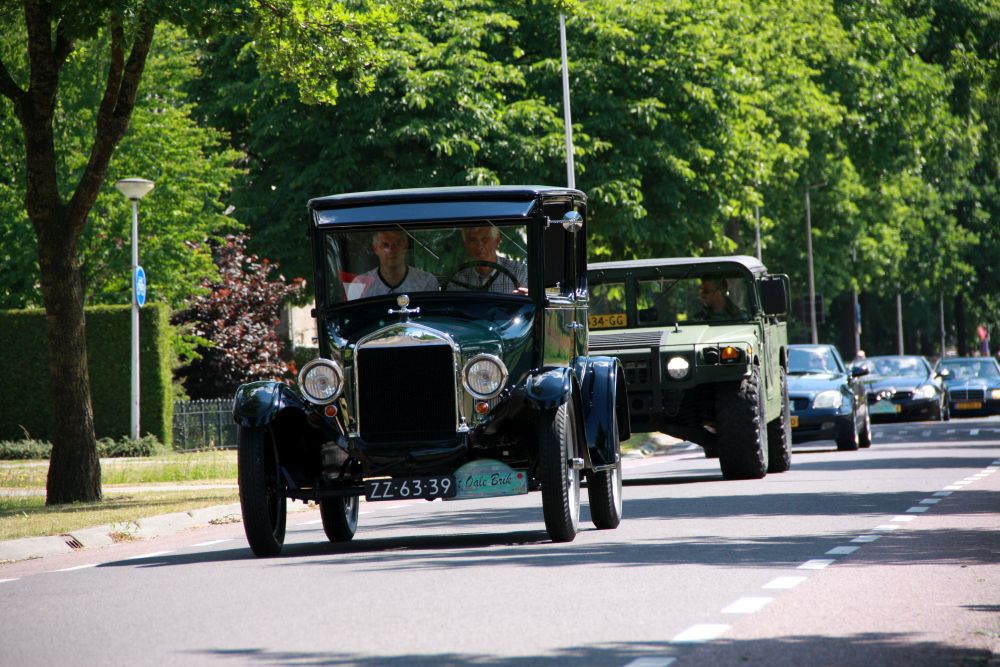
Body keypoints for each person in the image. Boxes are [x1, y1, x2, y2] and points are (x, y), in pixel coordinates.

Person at [350, 230, 438, 298]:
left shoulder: (426, 282)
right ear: (375, 249)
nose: (391, 250)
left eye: (397, 244)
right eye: (385, 245)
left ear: (405, 246)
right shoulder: (359, 284)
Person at [448, 225, 528, 293]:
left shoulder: (519, 272)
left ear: (497, 241)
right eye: (473, 240)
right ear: (466, 245)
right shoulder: (458, 279)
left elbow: (529, 304)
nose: (479, 246)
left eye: (485, 239)